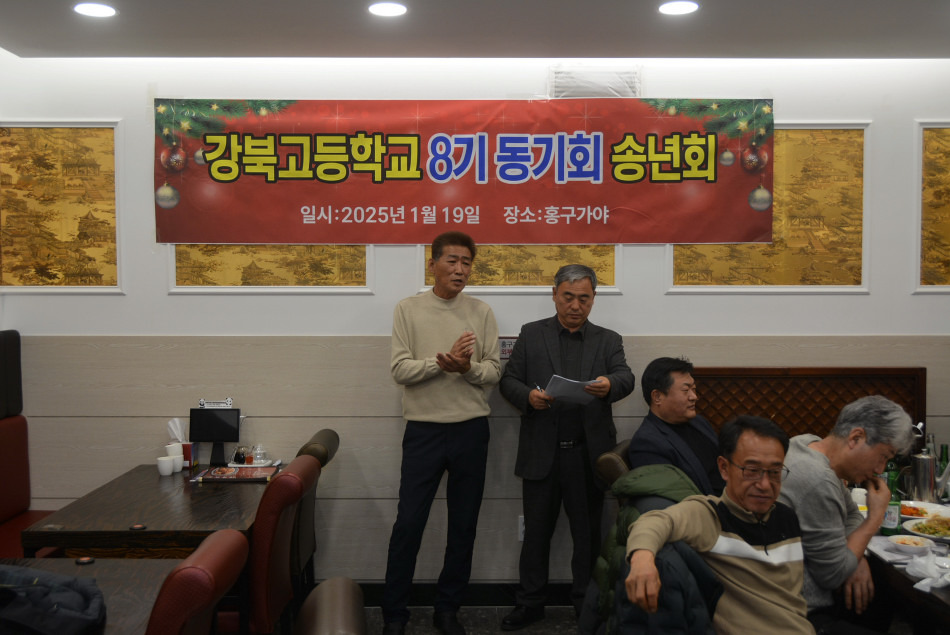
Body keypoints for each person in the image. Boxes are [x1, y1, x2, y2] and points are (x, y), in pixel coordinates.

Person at [499, 264, 635, 630]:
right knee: (535, 535)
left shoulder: (608, 339)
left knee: (588, 537)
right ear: (555, 295)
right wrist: (529, 397)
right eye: (568, 297)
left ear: (594, 299)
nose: (576, 306)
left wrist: (610, 385)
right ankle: (530, 603)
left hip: (587, 455)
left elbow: (626, 377)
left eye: (584, 299)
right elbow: (509, 381)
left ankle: (586, 604)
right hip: (541, 453)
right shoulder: (531, 334)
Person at [381, 232, 501, 635]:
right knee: (408, 523)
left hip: (471, 431)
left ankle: (448, 609)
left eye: (467, 263)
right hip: (424, 431)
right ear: (432, 264)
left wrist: (467, 368)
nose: (460, 270)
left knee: (463, 526)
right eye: (452, 261)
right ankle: (394, 614)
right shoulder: (408, 309)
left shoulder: (481, 312)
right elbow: (400, 370)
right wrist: (441, 363)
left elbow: (493, 372)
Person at [624, 415, 813, 634]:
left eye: (774, 472)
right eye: (752, 470)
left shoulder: (786, 517)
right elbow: (655, 521)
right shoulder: (710, 516)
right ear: (724, 468)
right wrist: (642, 559)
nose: (764, 484)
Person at [778, 395, 916, 634]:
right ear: (856, 438)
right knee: (889, 597)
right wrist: (875, 518)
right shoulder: (817, 478)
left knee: (880, 593)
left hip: (808, 586)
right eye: (883, 456)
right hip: (800, 611)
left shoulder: (806, 443)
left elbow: (851, 515)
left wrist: (855, 557)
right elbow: (833, 575)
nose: (880, 469)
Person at [626, 356, 725, 495]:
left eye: (694, 389)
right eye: (686, 390)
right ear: (657, 397)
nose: (694, 396)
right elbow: (671, 496)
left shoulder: (699, 422)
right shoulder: (647, 444)